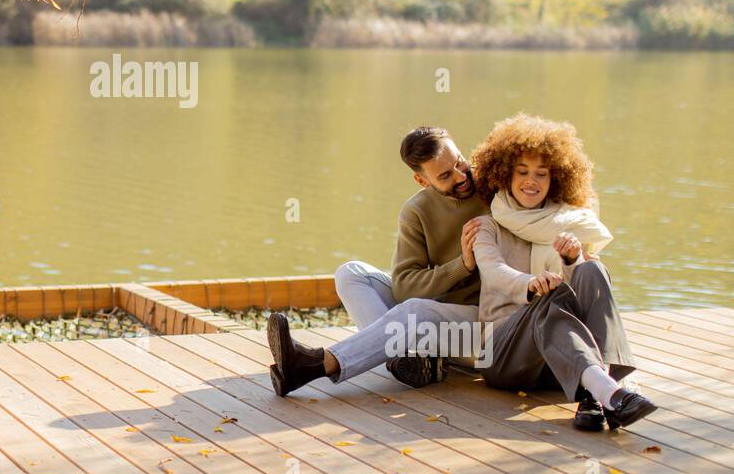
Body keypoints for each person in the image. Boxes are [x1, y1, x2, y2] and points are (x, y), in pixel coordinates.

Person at [469, 113, 656, 431]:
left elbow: (582, 297)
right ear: (503, 174)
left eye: (542, 174)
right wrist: (531, 283)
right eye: (523, 171)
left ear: (555, 178)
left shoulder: (569, 223)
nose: (532, 181)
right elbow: (494, 272)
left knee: (591, 270)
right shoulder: (486, 226)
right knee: (547, 299)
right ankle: (608, 391)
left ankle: (594, 397)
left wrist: (572, 260)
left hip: (557, 364)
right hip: (504, 358)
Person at [268, 126, 487, 396]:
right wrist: (461, 266)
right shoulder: (416, 210)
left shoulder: (493, 187)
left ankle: (313, 365)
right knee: (350, 274)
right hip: (434, 324)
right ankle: (405, 361)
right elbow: (404, 286)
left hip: (478, 332)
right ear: (422, 180)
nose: (461, 176)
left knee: (416, 311)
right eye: (445, 175)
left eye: (459, 162)